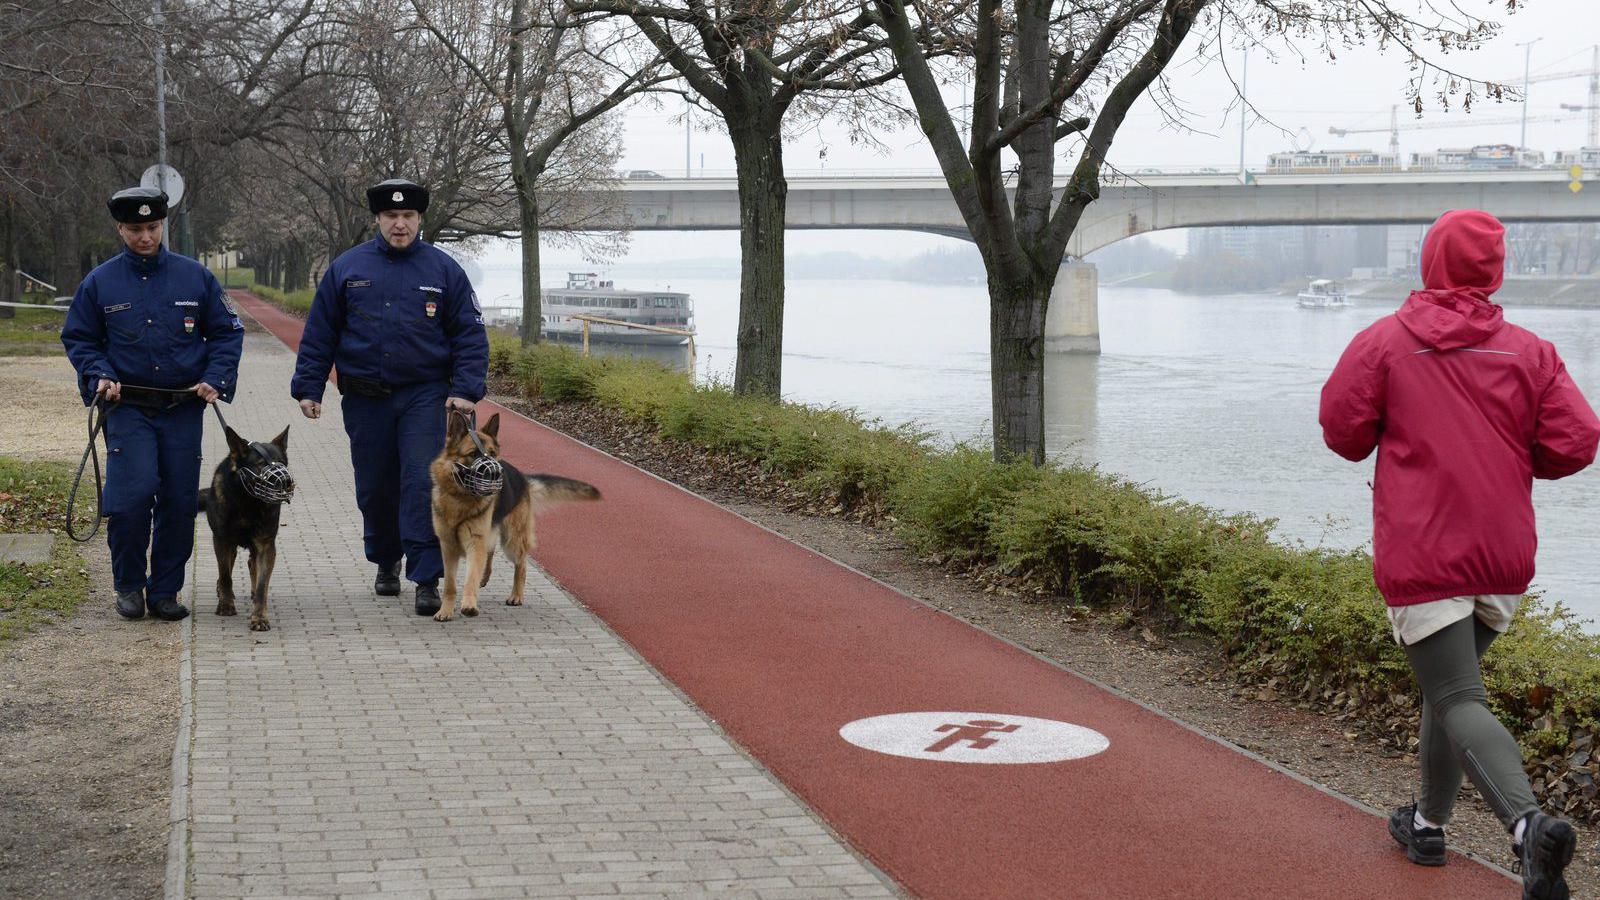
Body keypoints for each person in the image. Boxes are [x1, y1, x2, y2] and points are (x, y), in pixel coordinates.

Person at [1320, 209, 1599, 899]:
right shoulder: (1531, 352)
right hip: (1501, 553)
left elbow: (1342, 430)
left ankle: (1527, 828)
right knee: (1446, 691)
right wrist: (1506, 459)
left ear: (1429, 262)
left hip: (1426, 550)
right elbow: (1576, 440)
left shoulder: (1385, 343)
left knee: (1454, 693)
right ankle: (1427, 824)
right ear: (1496, 269)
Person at [289, 178, 488, 617]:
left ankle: (426, 577)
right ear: (378, 219)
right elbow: (320, 332)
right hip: (364, 398)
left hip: (424, 396)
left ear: (420, 219)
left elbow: (470, 335)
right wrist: (309, 386)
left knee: (421, 482)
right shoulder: (347, 268)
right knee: (376, 487)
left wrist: (466, 390)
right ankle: (385, 559)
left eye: (408, 217)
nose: (400, 225)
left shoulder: (444, 270)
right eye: (392, 217)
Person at [61, 186, 245, 622]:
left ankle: (165, 590)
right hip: (127, 409)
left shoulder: (194, 277)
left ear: (163, 225)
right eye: (135, 229)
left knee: (179, 502)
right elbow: (80, 339)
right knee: (130, 498)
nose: (145, 236)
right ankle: (128, 584)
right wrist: (99, 374)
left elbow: (226, 331)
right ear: (120, 229)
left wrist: (214, 378)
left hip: (182, 408)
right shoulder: (100, 282)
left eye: (153, 227)